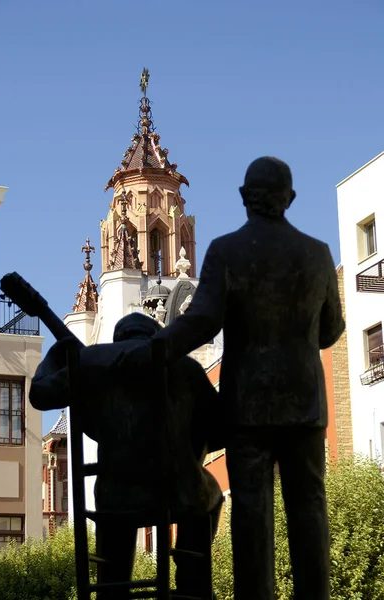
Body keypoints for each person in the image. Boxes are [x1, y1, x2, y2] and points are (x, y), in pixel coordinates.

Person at [119, 157, 345, 600]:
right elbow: (333, 330)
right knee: (309, 509)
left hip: (247, 404)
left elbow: (200, 322)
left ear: (245, 199)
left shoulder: (226, 251)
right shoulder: (317, 253)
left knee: (251, 513)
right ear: (290, 199)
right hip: (304, 402)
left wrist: (152, 349)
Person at [29, 313, 223, 600]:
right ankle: (191, 584)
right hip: (179, 492)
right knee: (209, 496)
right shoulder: (185, 366)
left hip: (115, 494)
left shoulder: (92, 361)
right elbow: (218, 430)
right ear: (156, 335)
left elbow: (40, 393)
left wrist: (57, 356)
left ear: (119, 339)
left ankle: (112, 589)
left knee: (115, 540)